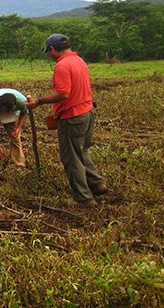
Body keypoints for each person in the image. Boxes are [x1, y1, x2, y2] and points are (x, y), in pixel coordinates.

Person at [27, 33, 108, 206]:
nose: (49, 55)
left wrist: (39, 101)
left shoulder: (63, 65)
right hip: (87, 111)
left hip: (73, 117)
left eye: (49, 51)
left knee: (71, 157)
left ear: (53, 49)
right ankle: (96, 183)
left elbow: (63, 93)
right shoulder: (79, 61)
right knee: (82, 151)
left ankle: (83, 198)